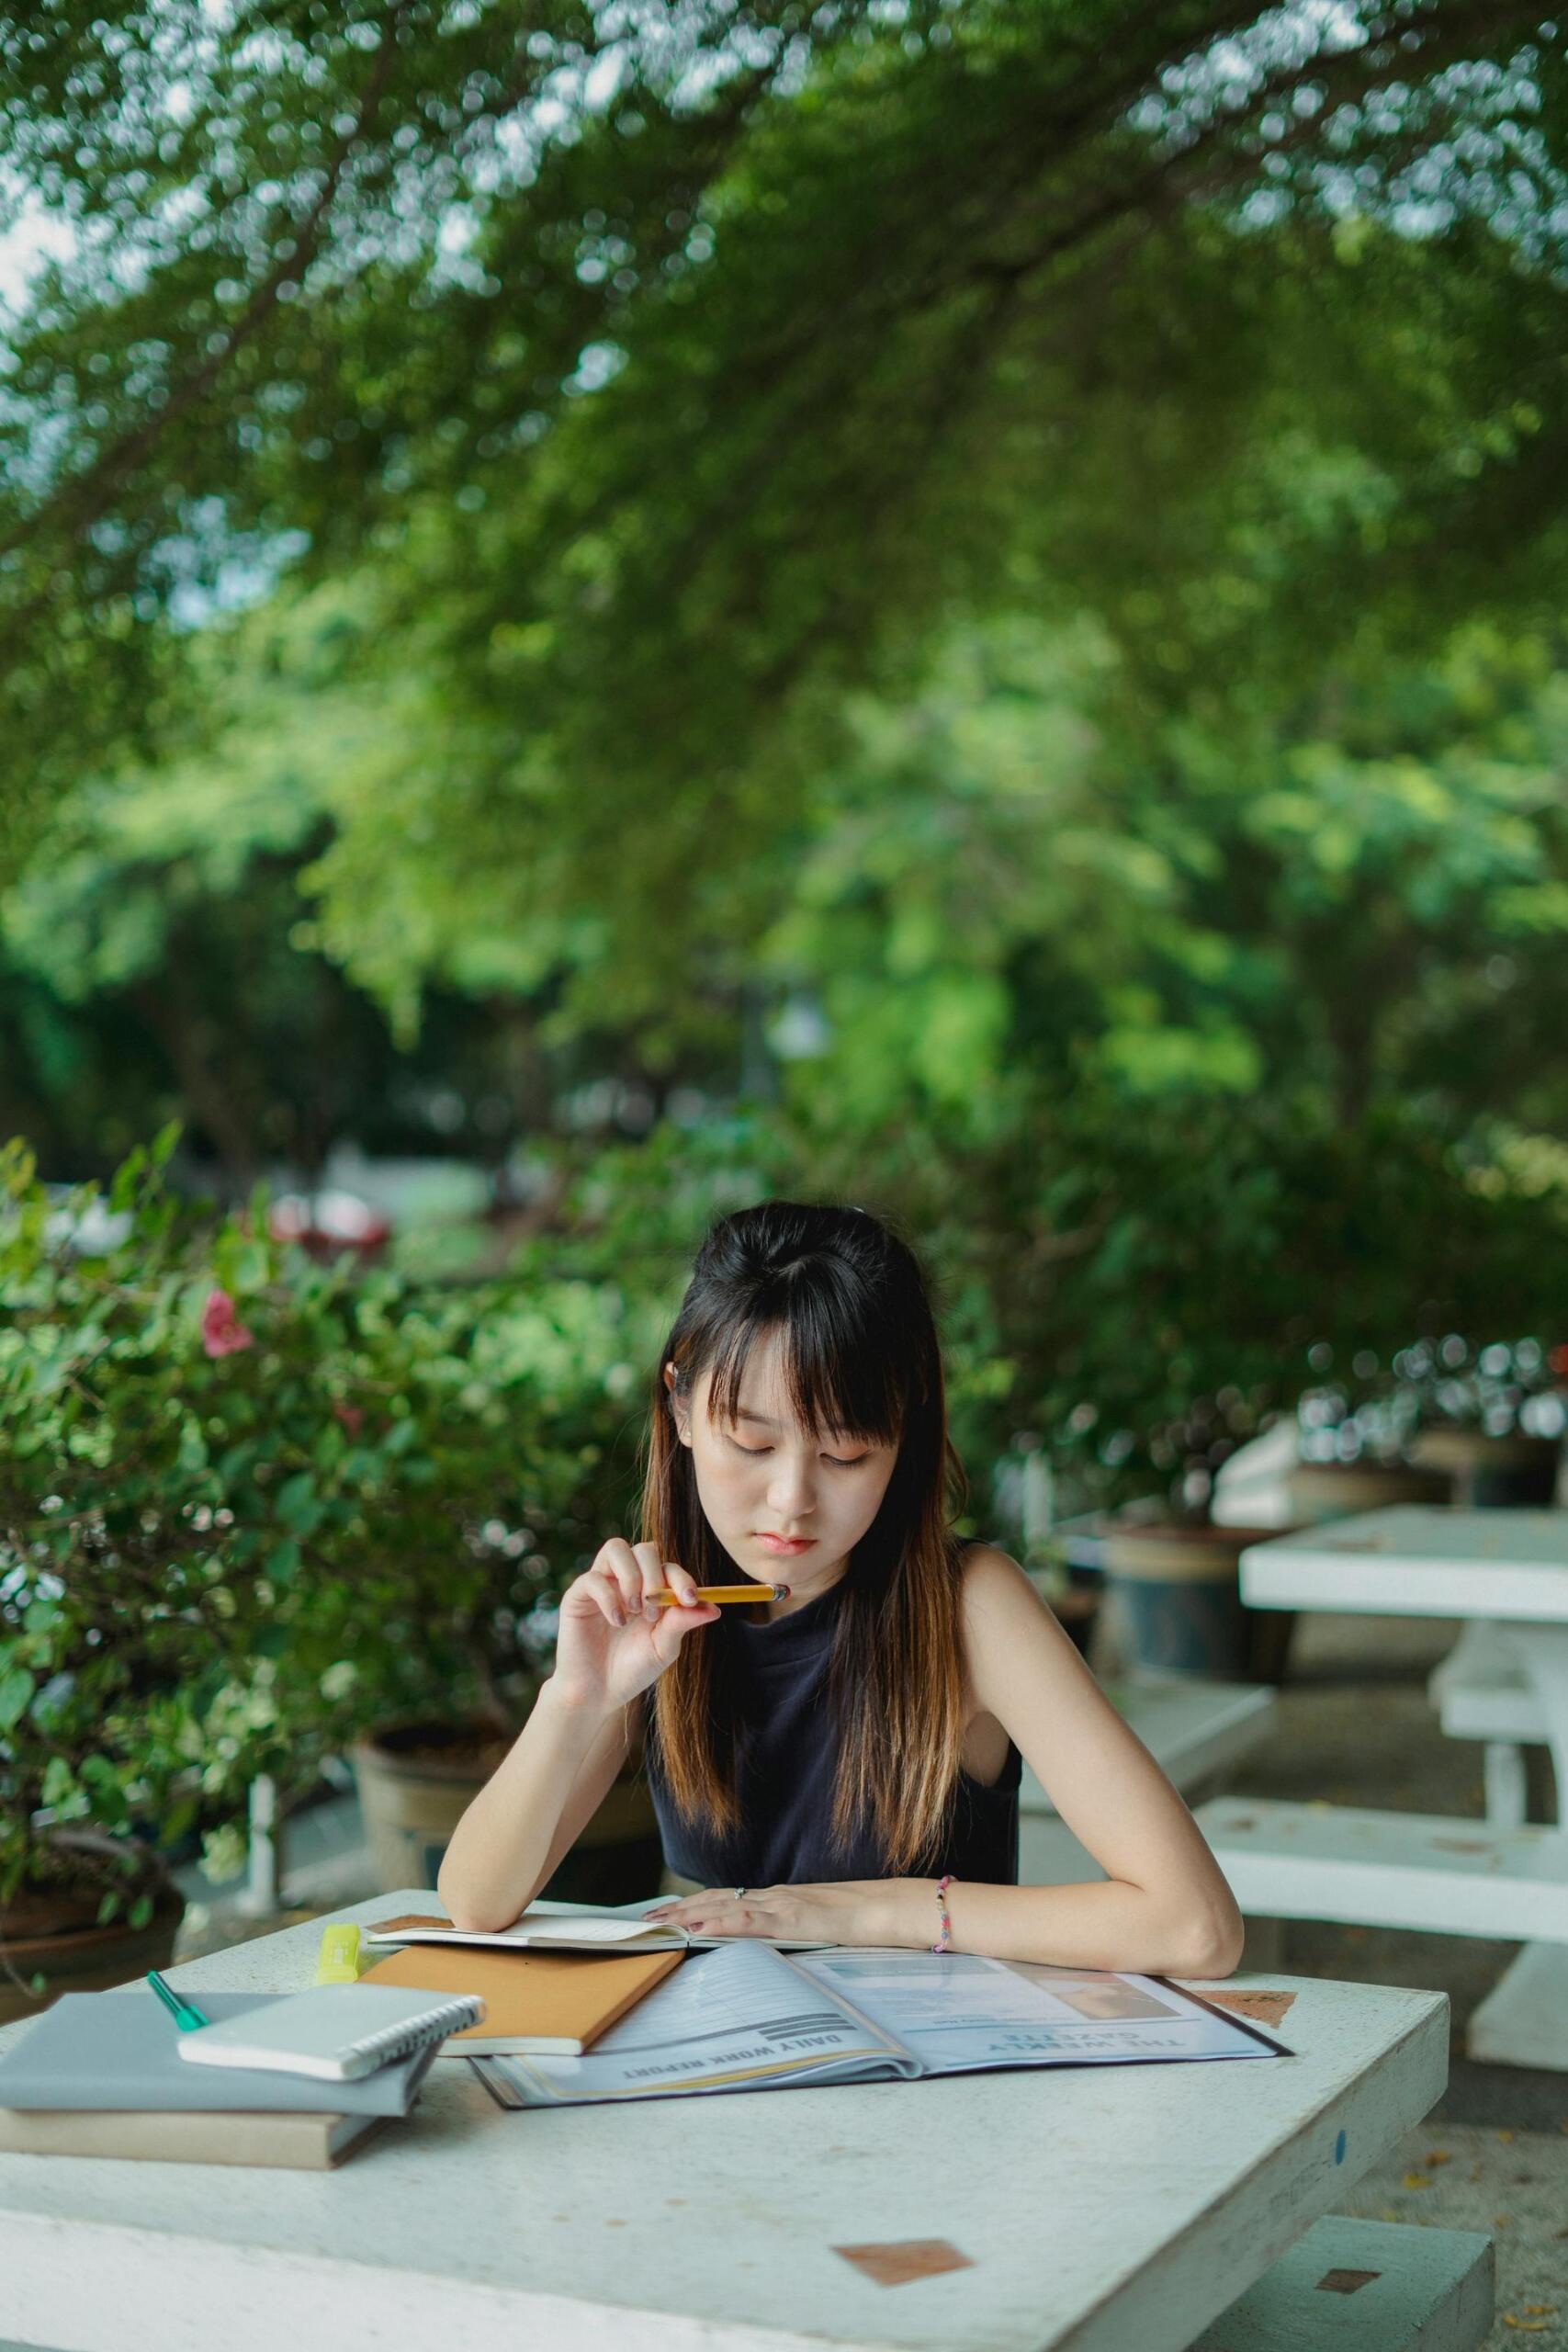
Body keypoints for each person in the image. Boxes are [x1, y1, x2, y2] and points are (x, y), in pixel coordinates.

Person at [437, 1201, 1245, 1975]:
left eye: (846, 1455)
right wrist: (576, 1699)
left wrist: (858, 1913)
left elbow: (1194, 1925)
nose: (792, 1498)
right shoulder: (660, 1609)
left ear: (904, 1435)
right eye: (752, 1444)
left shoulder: (972, 1607)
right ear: (679, 1409)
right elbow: (475, 1903)